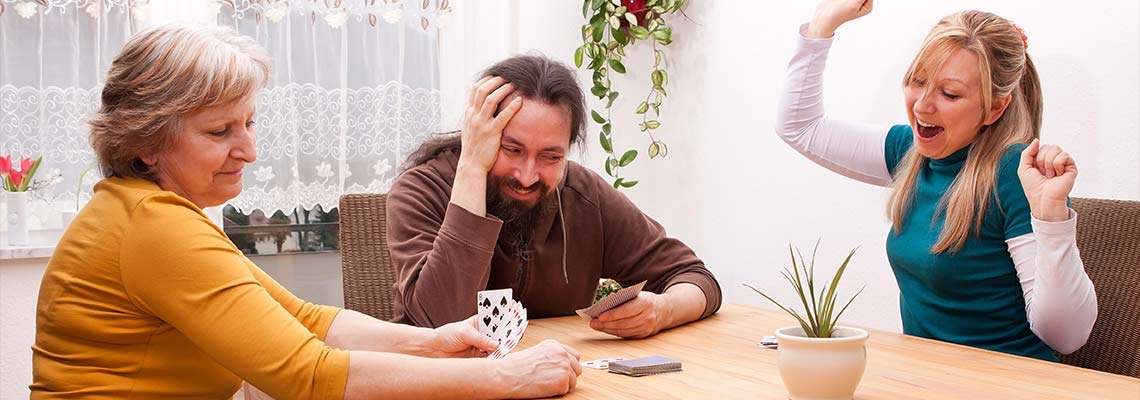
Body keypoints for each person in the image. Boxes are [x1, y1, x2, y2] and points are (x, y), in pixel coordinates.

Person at [30, 25, 581, 399]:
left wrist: (432, 342)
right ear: (146, 142)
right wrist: (502, 379)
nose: (248, 150)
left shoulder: (151, 213)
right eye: (220, 131)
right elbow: (305, 373)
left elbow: (307, 320)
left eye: (249, 124)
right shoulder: (152, 228)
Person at [775, 0, 1097, 361]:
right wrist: (822, 25)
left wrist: (1052, 217)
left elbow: (1066, 336)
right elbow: (800, 128)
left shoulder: (1015, 175)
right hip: (926, 379)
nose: (922, 106)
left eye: (949, 93)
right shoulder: (911, 153)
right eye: (917, 81)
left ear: (995, 108)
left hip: (1008, 385)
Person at [386, 54, 722, 339]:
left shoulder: (582, 195)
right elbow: (441, 322)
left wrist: (662, 310)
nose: (528, 175)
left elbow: (696, 279)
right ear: (478, 133)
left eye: (551, 156)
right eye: (511, 149)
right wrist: (473, 166)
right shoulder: (421, 190)